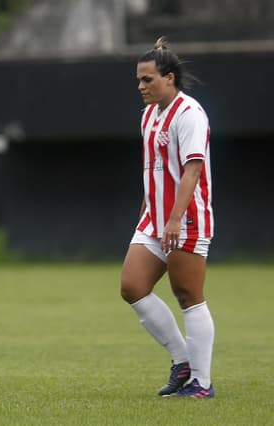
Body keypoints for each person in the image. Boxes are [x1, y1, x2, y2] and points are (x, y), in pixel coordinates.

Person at [120, 37, 215, 398]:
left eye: (148, 79)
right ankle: (182, 361)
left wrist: (174, 219)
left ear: (170, 78)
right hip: (154, 219)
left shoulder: (190, 114)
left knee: (188, 294)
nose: (141, 86)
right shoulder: (149, 115)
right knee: (132, 286)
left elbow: (191, 171)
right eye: (139, 80)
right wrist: (149, 212)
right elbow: (154, 169)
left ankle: (202, 384)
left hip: (186, 218)